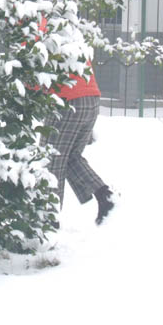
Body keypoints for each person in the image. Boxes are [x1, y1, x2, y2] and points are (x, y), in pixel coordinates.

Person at [44, 63, 115, 224]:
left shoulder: (34, 37)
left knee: (50, 159)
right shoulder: (71, 36)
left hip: (66, 101)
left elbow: (33, 77)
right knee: (70, 157)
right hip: (91, 98)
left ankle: (48, 221)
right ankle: (104, 195)